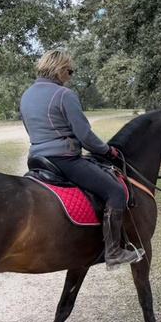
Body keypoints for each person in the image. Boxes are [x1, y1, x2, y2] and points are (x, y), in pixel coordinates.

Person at [20, 49, 141, 269]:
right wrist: (107, 151)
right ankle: (114, 252)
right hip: (64, 159)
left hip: (37, 160)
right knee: (115, 191)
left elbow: (30, 129)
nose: (69, 75)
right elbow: (85, 136)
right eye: (70, 71)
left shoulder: (26, 95)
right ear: (60, 69)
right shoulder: (64, 95)